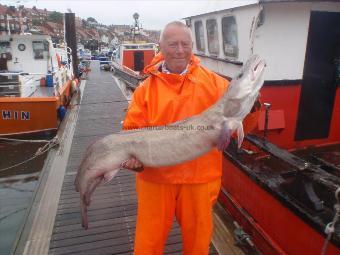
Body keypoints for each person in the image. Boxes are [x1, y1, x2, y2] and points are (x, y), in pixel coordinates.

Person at [122, 21, 259, 255]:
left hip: (200, 179)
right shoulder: (145, 90)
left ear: (192, 46)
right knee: (147, 246)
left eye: (185, 44)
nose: (179, 50)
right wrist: (132, 160)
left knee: (198, 246)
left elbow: (237, 125)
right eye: (173, 44)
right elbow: (132, 130)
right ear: (161, 47)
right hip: (155, 179)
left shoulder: (216, 84)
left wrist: (252, 106)